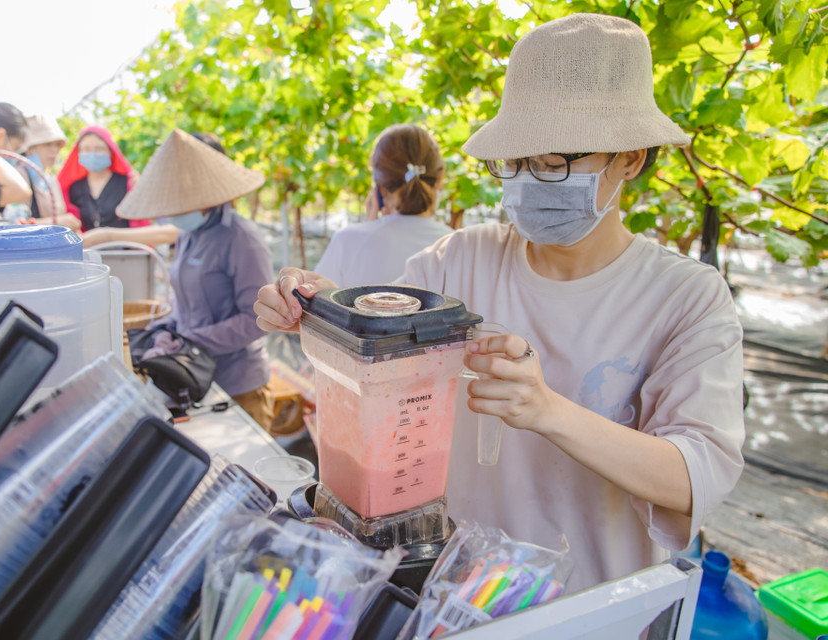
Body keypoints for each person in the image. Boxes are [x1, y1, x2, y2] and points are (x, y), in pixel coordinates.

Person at [253, 13, 745, 593]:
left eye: (555, 161)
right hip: (450, 588)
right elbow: (380, 343)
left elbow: (696, 475)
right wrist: (320, 309)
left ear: (631, 158)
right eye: (514, 162)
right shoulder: (460, 259)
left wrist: (547, 410)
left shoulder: (685, 297)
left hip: (586, 608)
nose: (530, 178)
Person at [116, 129, 275, 430]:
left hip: (238, 386)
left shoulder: (241, 238)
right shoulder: (189, 234)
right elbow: (187, 301)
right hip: (193, 376)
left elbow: (258, 319)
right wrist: (165, 329)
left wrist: (190, 341)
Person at [314, 124, 452, 286]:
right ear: (439, 179)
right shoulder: (457, 246)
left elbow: (317, 298)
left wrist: (369, 230)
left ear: (379, 186)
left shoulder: (347, 242)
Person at [58, 126, 149, 232]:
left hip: (127, 242)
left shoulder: (127, 183)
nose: (92, 154)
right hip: (87, 242)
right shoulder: (75, 188)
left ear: (110, 151)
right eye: (86, 149)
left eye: (99, 149)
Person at [19, 115, 80, 230]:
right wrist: (55, 223)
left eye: (57, 145)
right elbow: (14, 223)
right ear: (31, 148)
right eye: (47, 144)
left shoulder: (51, 179)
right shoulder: (20, 175)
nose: (54, 150)